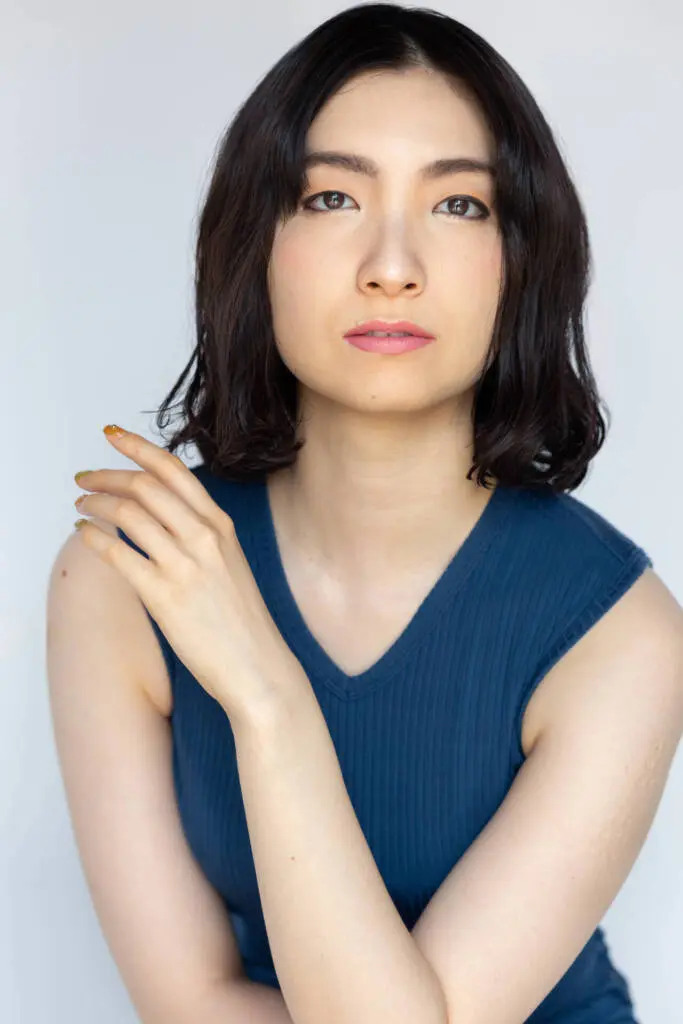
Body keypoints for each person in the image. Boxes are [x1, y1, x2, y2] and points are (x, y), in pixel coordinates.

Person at [47, 4, 683, 1023]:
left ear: (522, 260)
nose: (392, 263)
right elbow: (184, 1000)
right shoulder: (128, 575)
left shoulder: (619, 632)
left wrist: (263, 688)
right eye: (332, 196)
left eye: (458, 206)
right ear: (255, 244)